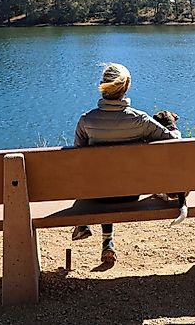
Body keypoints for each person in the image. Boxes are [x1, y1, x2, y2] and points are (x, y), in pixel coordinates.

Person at [72, 62, 181, 263]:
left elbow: (78, 159)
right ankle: (104, 240)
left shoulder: (86, 120)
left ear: (102, 86)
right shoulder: (140, 120)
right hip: (131, 191)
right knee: (114, 177)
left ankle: (86, 225)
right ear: (126, 87)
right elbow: (174, 140)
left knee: (101, 177)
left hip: (99, 194)